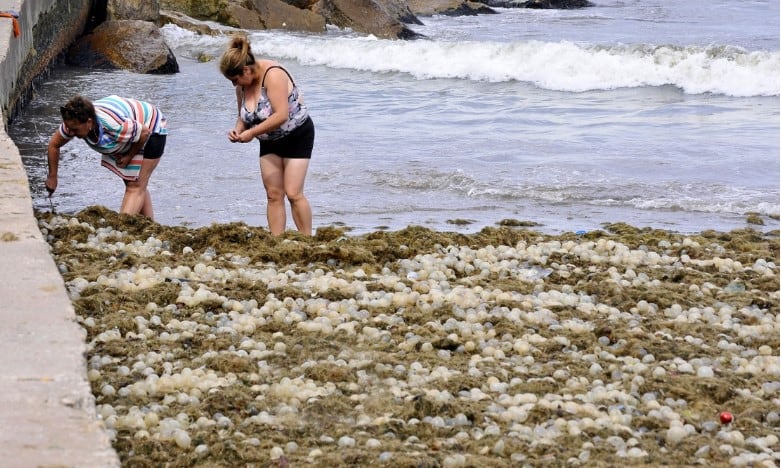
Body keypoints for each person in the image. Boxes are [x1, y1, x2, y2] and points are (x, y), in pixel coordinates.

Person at [220, 35, 315, 236]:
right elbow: (243, 116)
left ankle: (308, 239)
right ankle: (276, 241)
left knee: (293, 192)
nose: (234, 84)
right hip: (269, 141)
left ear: (246, 70)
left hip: (297, 135)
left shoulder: (272, 75)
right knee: (273, 194)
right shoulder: (242, 86)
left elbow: (281, 115)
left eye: (235, 79)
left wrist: (252, 133)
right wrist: (238, 130)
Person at [45, 95, 168, 219]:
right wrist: (53, 176)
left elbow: (144, 132)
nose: (70, 133)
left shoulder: (113, 125)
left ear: (89, 122)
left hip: (152, 126)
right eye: (69, 128)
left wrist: (129, 156)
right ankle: (150, 226)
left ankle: (121, 229)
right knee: (135, 184)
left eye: (75, 130)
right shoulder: (73, 120)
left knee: (135, 186)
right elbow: (54, 145)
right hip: (133, 129)